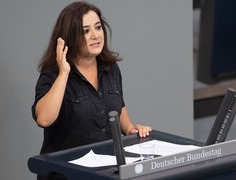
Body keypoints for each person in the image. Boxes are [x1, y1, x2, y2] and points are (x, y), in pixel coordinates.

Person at [31, 1, 152, 179]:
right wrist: (64, 73)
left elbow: (117, 107)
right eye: (86, 31)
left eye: (98, 27)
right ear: (70, 37)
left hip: (104, 172)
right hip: (66, 174)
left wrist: (131, 129)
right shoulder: (53, 74)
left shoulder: (110, 68)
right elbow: (44, 118)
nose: (96, 35)